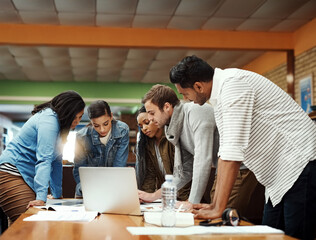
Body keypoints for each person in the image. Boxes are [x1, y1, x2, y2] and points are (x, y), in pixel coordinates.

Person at [169, 55, 316, 240]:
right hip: (278, 178)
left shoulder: (233, 86)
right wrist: (215, 205)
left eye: (184, 93)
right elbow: (224, 153)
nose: (186, 99)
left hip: (299, 164)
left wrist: (219, 208)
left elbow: (232, 152)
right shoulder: (221, 94)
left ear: (198, 86)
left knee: (295, 236)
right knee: (270, 234)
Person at [0, 91, 85, 222]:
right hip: (11, 172)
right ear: (68, 112)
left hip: (25, 176)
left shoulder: (61, 127)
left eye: (81, 117)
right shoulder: (49, 119)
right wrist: (41, 198)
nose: (77, 122)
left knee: (34, 222)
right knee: (31, 220)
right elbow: (44, 159)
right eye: (76, 117)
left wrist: (57, 195)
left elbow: (56, 161)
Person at [142, 84, 219, 204]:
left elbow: (203, 159)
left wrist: (191, 202)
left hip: (240, 165)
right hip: (223, 167)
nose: (150, 118)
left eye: (152, 113)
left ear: (167, 107)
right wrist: (153, 196)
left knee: (220, 213)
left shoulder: (196, 111)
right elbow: (185, 172)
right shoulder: (174, 129)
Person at [73, 100, 129, 197]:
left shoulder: (122, 130)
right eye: (96, 126)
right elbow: (79, 170)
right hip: (88, 190)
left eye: (106, 124)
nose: (102, 129)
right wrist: (86, 188)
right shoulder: (82, 137)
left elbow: (119, 167)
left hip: (113, 189)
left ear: (111, 116)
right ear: (91, 122)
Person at [136, 106, 191, 202]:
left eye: (147, 123)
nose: (144, 129)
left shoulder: (172, 139)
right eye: (140, 126)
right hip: (165, 197)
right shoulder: (149, 144)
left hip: (183, 198)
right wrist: (145, 197)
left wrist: (183, 199)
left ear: (155, 118)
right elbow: (150, 175)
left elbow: (183, 174)